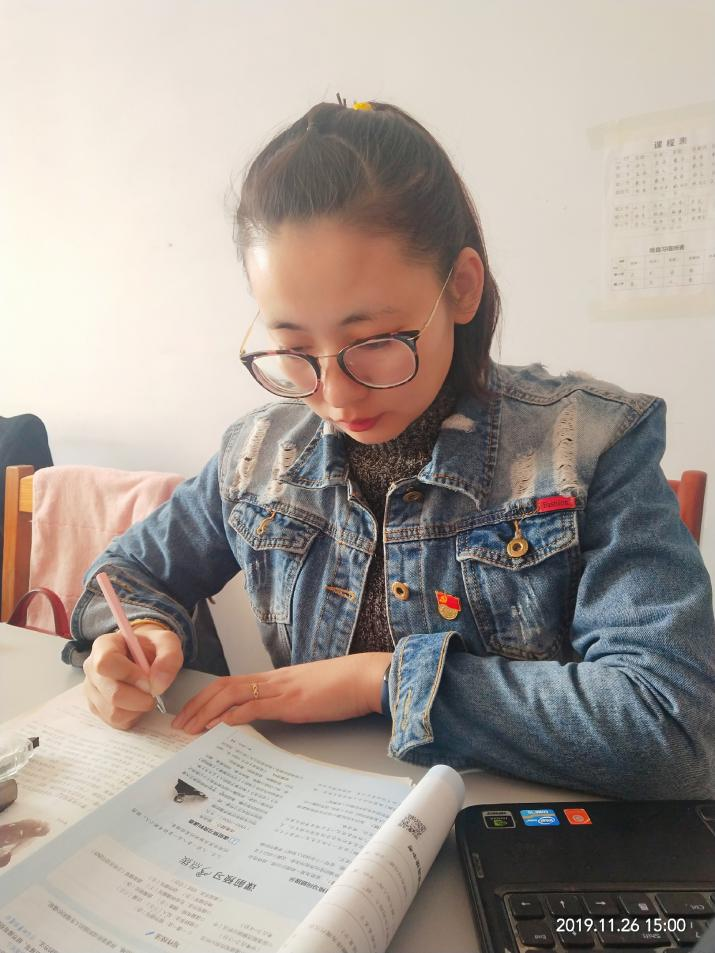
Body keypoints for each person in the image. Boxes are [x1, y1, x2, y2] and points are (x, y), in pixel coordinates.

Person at [67, 97, 715, 799]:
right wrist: (136, 636)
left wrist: (379, 680)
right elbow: (126, 576)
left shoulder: (587, 445)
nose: (335, 395)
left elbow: (673, 726)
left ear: (460, 287)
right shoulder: (260, 452)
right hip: (314, 813)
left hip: (507, 830)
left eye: (374, 341)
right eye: (292, 348)